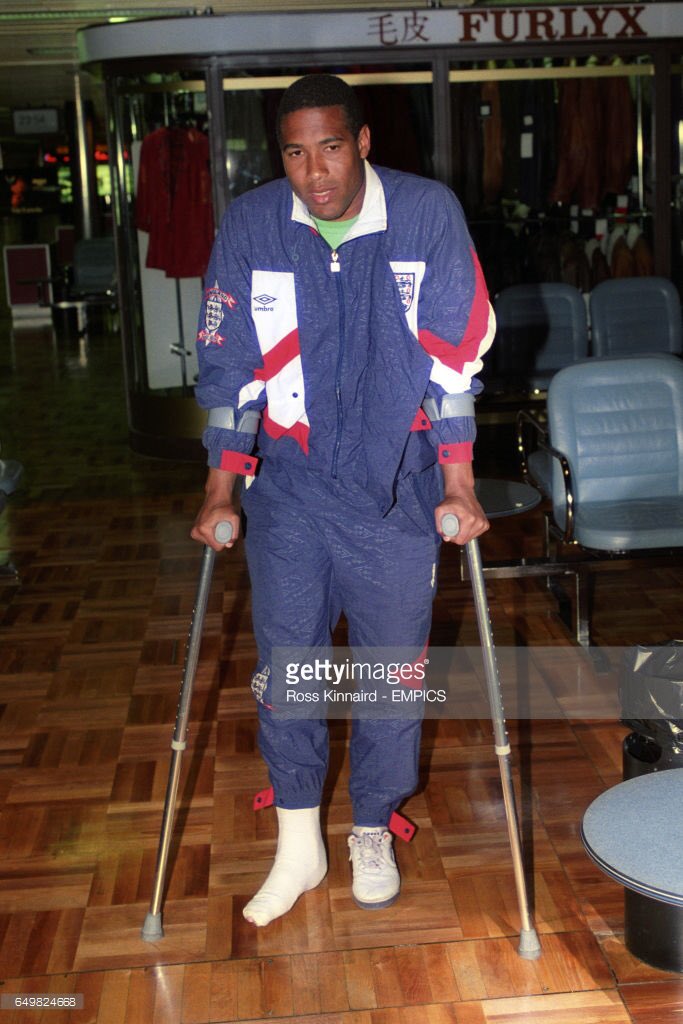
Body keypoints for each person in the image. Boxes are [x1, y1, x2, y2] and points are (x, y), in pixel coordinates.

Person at [191, 73, 493, 927]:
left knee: (391, 677)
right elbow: (231, 373)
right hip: (290, 491)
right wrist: (221, 489)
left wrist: (458, 483)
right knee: (289, 672)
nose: (314, 170)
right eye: (294, 151)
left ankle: (368, 828)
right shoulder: (253, 225)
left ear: (362, 141)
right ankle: (297, 844)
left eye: (330, 146)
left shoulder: (424, 214)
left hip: (396, 490)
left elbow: (452, 365)